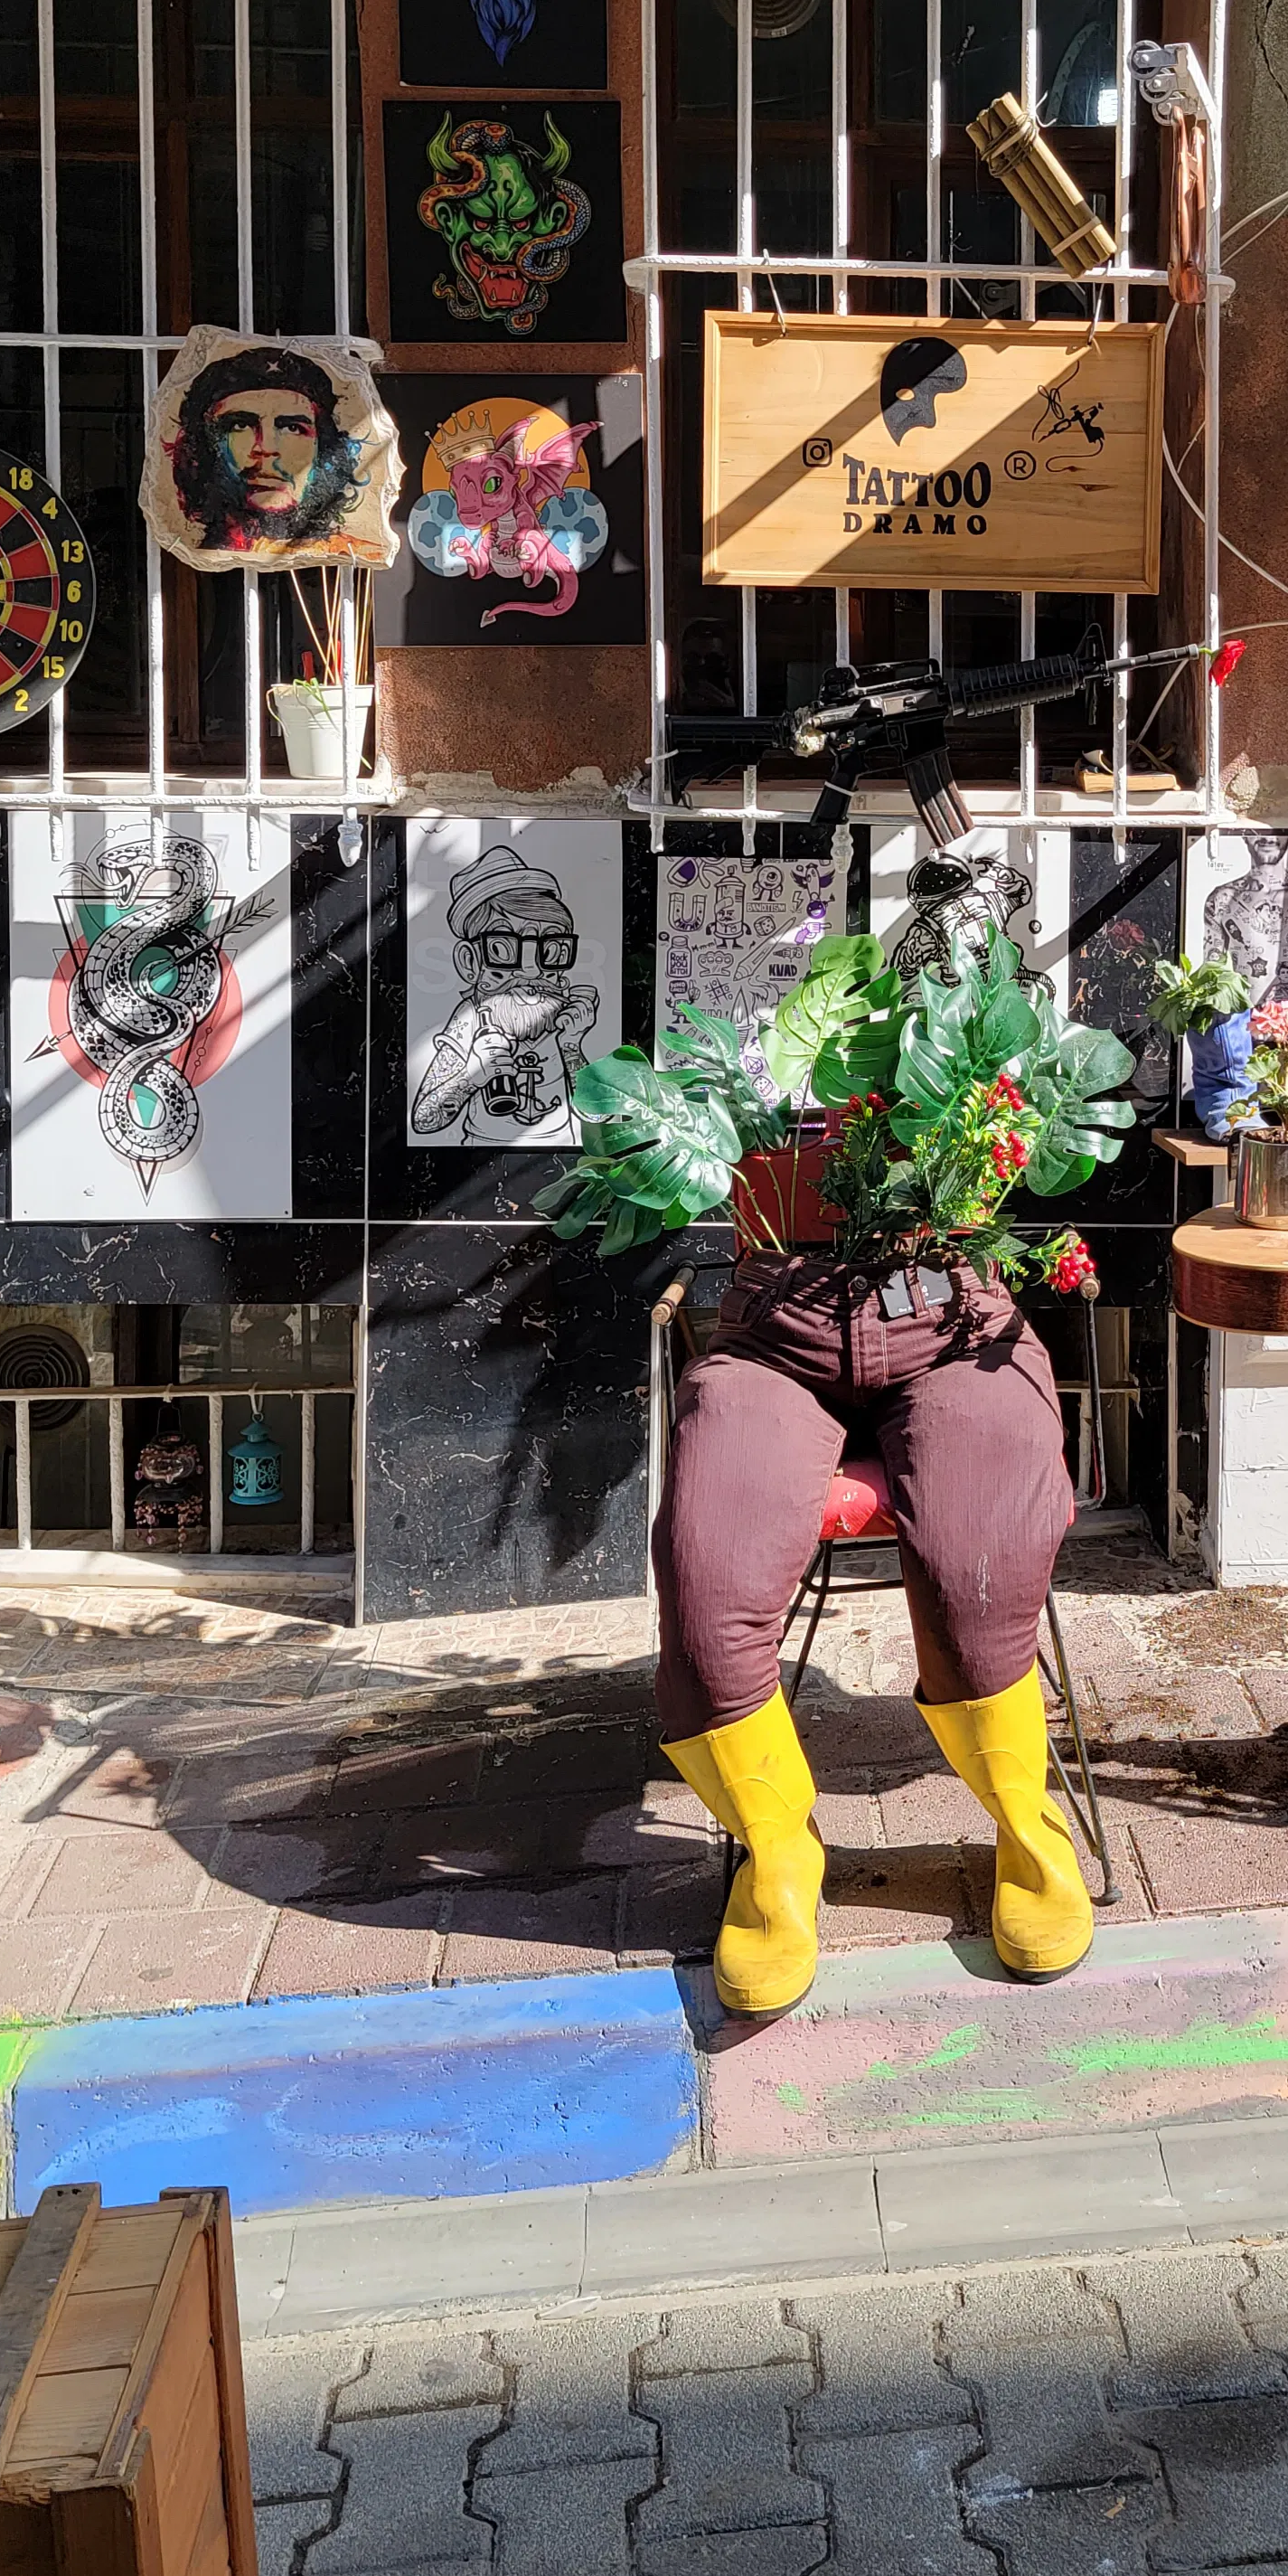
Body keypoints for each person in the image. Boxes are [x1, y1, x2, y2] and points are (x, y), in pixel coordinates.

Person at [653, 1252, 1092, 2015]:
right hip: (774, 1341)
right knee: (705, 1609)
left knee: (975, 1592)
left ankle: (1029, 1835)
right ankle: (779, 1859)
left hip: (956, 1326)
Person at [410, 854, 598, 1143]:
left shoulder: (565, 1019)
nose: (531, 968)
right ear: (470, 963)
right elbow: (424, 1121)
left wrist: (572, 1046)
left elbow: (598, 1117)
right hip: (479, 1154)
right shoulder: (471, 1018)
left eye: (550, 949)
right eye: (503, 948)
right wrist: (474, 1075)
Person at [165, 344, 366, 555]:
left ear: (323, 446)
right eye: (240, 426)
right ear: (204, 445)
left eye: (292, 428)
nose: (266, 448)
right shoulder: (190, 551)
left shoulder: (353, 553)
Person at [1202, 828, 1288, 1024]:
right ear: (1244, 834)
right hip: (1241, 1031)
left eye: (1279, 829)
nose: (1268, 838)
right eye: (1256, 830)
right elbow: (1211, 975)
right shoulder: (1222, 899)